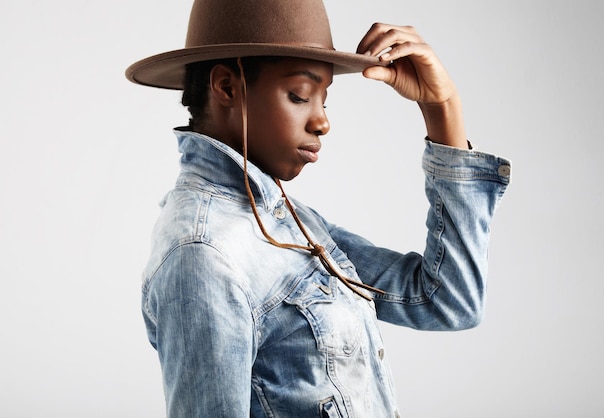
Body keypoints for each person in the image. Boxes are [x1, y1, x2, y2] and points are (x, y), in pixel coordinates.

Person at [126, 0, 511, 416]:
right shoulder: (203, 254)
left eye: (324, 100)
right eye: (300, 95)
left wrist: (442, 107)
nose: (322, 121)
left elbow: (448, 301)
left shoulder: (286, 220)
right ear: (227, 87)